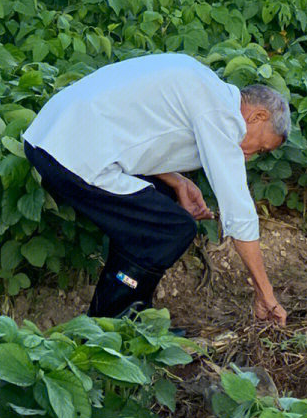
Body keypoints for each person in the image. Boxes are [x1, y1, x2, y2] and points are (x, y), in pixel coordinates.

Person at [22, 53, 290, 325]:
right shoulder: (222, 115)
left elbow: (139, 131)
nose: (250, 156)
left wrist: (178, 181)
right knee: (170, 229)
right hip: (71, 154)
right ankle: (113, 324)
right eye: (261, 147)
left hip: (51, 136)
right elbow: (239, 213)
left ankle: (123, 315)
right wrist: (264, 293)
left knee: (159, 208)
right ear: (258, 115)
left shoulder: (203, 85)